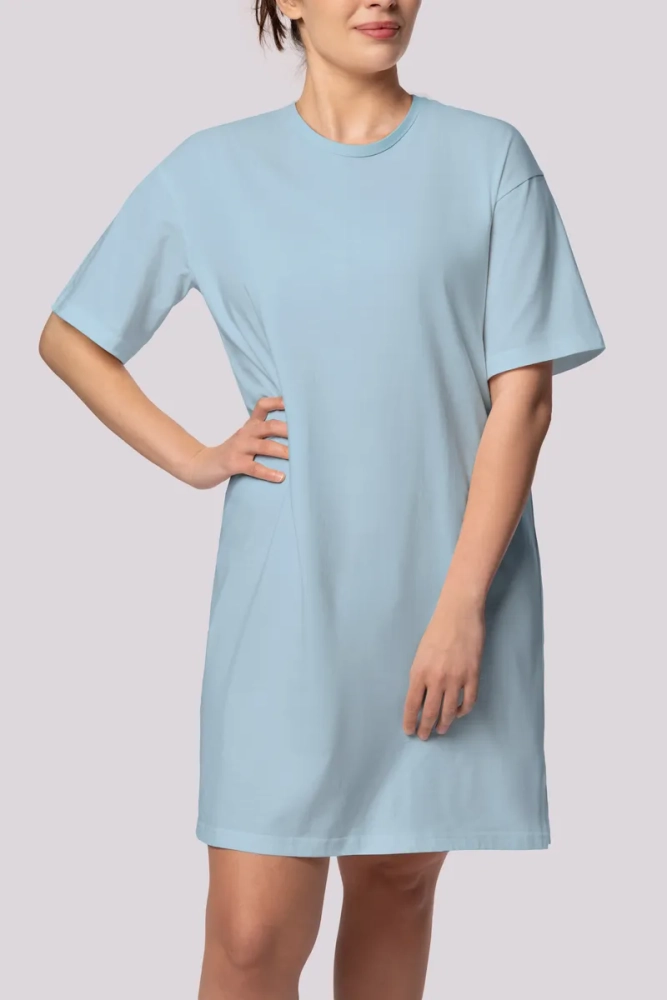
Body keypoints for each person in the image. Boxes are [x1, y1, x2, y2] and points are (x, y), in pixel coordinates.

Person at [38, 1, 606, 998]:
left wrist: (460, 609)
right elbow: (73, 337)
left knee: (397, 882)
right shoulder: (210, 170)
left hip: (449, 594)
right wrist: (195, 457)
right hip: (286, 600)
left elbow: (522, 401)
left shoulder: (489, 158)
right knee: (250, 935)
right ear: (286, 3)